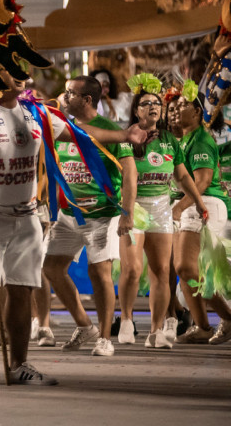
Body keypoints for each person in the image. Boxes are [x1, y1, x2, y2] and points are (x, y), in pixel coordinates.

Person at [0, 81, 146, 385]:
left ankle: (19, 365)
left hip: (26, 215)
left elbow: (80, 133)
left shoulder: (38, 113)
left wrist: (124, 135)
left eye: (23, 73)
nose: (22, 78)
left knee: (21, 291)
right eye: (14, 72)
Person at [43, 75, 137, 357]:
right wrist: (50, 211)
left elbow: (130, 173)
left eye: (70, 93)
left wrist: (127, 213)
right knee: (51, 268)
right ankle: (85, 326)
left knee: (99, 272)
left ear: (86, 99)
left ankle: (105, 338)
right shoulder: (63, 127)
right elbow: (55, 170)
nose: (64, 96)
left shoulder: (110, 129)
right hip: (69, 213)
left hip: (102, 214)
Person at [123, 85, 206, 347]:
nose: (153, 107)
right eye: (146, 103)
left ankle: (156, 331)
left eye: (157, 103)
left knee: (162, 271)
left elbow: (182, 176)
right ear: (136, 110)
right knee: (133, 269)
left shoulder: (169, 140)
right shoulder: (125, 138)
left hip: (160, 208)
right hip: (133, 207)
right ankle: (126, 319)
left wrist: (198, 202)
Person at [169, 92, 231, 344]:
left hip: (203, 204)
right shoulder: (183, 140)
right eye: (173, 106)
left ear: (197, 112)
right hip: (189, 205)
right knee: (183, 270)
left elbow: (203, 181)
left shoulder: (201, 140)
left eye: (183, 105)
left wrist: (178, 208)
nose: (175, 110)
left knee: (187, 267)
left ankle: (227, 316)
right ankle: (203, 327)